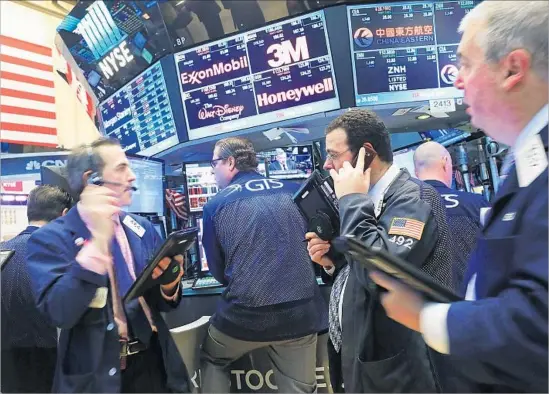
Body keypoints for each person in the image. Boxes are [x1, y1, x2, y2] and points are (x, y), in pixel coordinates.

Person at [370, 2, 548, 392]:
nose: (457, 80)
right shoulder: (527, 160)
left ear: (512, 69)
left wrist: (427, 317)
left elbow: (541, 324)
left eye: (466, 63)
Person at [306, 108, 455, 392]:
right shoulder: (368, 200)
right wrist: (332, 263)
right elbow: (358, 266)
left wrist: (350, 199)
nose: (327, 164)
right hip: (367, 362)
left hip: (402, 370)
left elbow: (379, 272)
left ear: (367, 153)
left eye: (334, 154)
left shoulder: (413, 199)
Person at [26, 138, 189, 393]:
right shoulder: (49, 239)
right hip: (98, 377)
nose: (132, 176)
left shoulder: (140, 229)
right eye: (122, 168)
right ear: (92, 179)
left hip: (154, 365)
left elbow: (157, 303)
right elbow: (59, 311)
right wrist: (97, 243)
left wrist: (169, 285)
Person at [200, 137, 327, 393]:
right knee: (300, 388)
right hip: (299, 314)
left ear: (231, 162)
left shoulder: (215, 205)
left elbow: (219, 271)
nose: (213, 171)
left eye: (214, 163)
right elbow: (321, 241)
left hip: (243, 319)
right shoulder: (295, 190)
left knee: (212, 359)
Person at [1, 185, 72, 393]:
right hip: (53, 365)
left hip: (8, 367)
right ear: (64, 215)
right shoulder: (62, 254)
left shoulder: (3, 250)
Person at [414, 141, 490, 288]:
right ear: (445, 162)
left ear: (416, 172)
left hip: (424, 305)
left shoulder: (403, 209)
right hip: (471, 303)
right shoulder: (476, 204)